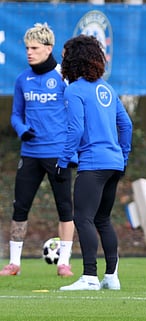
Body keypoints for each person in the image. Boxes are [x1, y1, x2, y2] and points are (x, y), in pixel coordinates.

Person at [56, 34, 133, 291]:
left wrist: (64, 159)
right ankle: (112, 277)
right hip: (113, 164)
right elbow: (126, 124)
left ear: (74, 60)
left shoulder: (74, 89)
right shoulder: (107, 88)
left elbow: (75, 129)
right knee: (103, 219)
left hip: (93, 163)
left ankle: (89, 277)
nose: (62, 59)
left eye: (65, 55)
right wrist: (123, 156)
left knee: (83, 218)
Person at [0, 23, 75, 277]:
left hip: (57, 154)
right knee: (20, 207)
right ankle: (14, 263)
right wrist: (22, 130)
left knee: (65, 208)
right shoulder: (23, 79)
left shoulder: (63, 77)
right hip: (30, 154)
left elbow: (76, 115)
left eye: (34, 48)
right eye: (26, 48)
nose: (29, 53)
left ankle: (64, 262)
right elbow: (15, 115)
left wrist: (72, 149)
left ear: (48, 48)